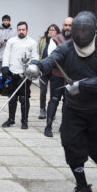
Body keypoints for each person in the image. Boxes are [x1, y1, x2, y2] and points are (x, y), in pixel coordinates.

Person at [31, 11, 96, 192]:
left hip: (96, 110)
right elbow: (53, 59)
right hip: (73, 109)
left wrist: (83, 85)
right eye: (79, 30)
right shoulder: (67, 47)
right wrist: (37, 66)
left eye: (86, 30)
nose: (81, 34)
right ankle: (82, 186)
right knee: (71, 146)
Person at [1, 21, 38, 130]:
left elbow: (35, 58)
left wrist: (32, 69)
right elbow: (6, 54)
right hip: (13, 72)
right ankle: (11, 119)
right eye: (19, 30)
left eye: (23, 30)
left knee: (24, 98)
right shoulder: (11, 41)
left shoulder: (32, 42)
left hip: (26, 74)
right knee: (12, 98)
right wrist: (5, 67)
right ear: (17, 30)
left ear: (27, 30)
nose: (21, 31)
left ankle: (24, 121)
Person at [44, 17, 73, 137]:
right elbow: (52, 56)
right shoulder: (55, 39)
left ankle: (65, 126)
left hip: (72, 77)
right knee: (54, 100)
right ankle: (48, 126)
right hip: (57, 75)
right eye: (65, 25)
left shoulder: (78, 39)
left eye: (70, 25)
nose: (67, 27)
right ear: (62, 25)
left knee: (69, 102)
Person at [37, 24, 61, 119]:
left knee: (53, 92)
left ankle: (52, 111)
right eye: (50, 30)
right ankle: (42, 109)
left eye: (53, 30)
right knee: (43, 90)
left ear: (57, 32)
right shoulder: (43, 41)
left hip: (55, 70)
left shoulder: (60, 42)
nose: (51, 31)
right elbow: (39, 52)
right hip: (43, 69)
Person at [0, 15, 16, 95]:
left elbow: (16, 42)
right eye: (5, 20)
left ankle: (7, 88)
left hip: (10, 56)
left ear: (9, 21)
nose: (6, 22)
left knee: (8, 73)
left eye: (7, 20)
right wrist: (0, 42)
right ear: (2, 21)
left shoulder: (14, 31)